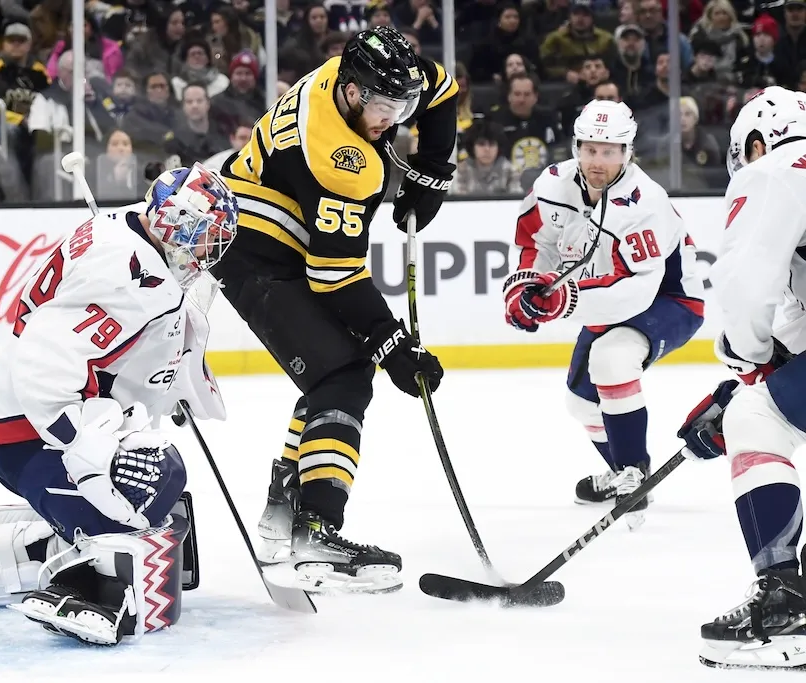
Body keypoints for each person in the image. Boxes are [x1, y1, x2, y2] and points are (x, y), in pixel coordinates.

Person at [0, 162, 237, 645]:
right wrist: (88, 453)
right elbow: (47, 355)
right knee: (151, 482)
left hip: (20, 408)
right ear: (173, 223)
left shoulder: (121, 227)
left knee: (152, 499)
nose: (206, 251)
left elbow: (97, 348)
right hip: (31, 425)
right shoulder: (133, 277)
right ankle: (87, 589)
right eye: (202, 235)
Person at [211, 26, 456, 594]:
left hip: (279, 227)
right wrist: (393, 345)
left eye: (403, 106)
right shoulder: (339, 160)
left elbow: (443, 92)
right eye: (385, 107)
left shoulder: (346, 74)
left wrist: (436, 171)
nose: (395, 120)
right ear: (352, 93)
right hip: (254, 250)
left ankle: (285, 510)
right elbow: (336, 276)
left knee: (336, 374)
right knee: (344, 375)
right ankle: (314, 531)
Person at [503, 100, 704, 529]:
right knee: (580, 401)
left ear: (627, 152)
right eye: (591, 149)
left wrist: (563, 299)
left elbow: (635, 291)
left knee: (611, 358)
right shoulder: (553, 183)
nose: (599, 161)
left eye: (610, 151)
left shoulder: (646, 202)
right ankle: (623, 473)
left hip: (669, 300)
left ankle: (634, 474)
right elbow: (536, 242)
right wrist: (525, 284)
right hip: (600, 295)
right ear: (576, 146)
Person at [678, 86, 806, 670]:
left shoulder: (778, 167)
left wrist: (749, 374)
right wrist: (770, 369)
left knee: (757, 417)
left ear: (757, 142)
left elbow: (744, 282)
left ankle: (786, 606)